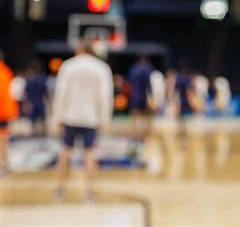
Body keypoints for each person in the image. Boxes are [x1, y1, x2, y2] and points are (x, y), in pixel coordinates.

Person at [51, 40, 113, 202]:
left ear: (79, 50)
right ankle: (88, 191)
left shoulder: (68, 66)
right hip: (91, 118)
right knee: (90, 153)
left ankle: (60, 189)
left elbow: (60, 93)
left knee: (65, 151)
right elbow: (105, 96)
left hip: (70, 116)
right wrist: (104, 118)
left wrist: (58, 116)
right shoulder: (101, 68)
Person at [128, 56, 155, 157]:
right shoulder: (148, 70)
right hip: (143, 96)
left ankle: (135, 142)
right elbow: (148, 85)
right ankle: (144, 141)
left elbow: (130, 83)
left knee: (135, 121)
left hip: (134, 96)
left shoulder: (133, 69)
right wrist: (151, 98)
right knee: (148, 120)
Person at [0, 50, 19, 177]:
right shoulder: (6, 71)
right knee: (4, 140)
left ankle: (3, 166)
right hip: (5, 112)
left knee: (2, 140)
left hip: (2, 111)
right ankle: (4, 165)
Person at [24, 60, 48, 136]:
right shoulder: (42, 79)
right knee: (41, 117)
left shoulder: (29, 80)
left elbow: (26, 91)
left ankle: (34, 131)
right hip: (40, 100)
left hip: (32, 101)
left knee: (33, 118)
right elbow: (45, 91)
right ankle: (42, 131)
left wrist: (26, 102)